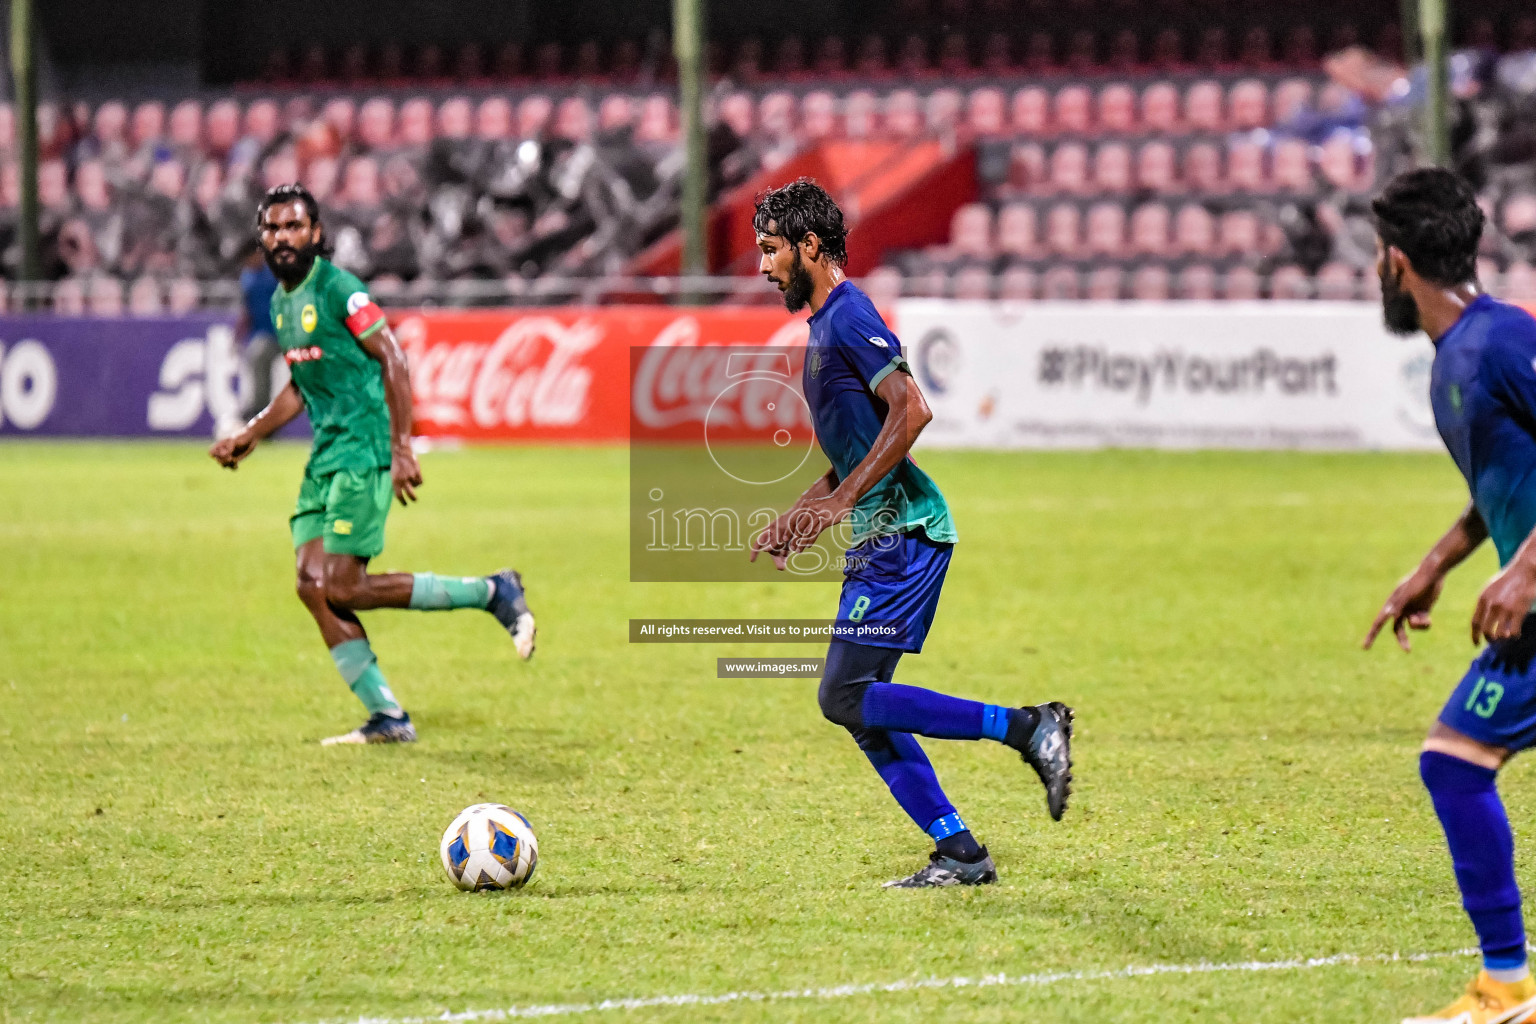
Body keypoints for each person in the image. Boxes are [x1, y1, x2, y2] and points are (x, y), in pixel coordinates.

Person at [748, 179, 1074, 889]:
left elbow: (912, 410)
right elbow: (855, 448)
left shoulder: (850, 313)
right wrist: (809, 511)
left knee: (842, 696)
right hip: (878, 534)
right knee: (861, 706)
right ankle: (959, 851)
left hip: (905, 534)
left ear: (810, 246)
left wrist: (847, 500)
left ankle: (1028, 727)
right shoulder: (825, 325)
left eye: (772, 250)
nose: (764, 266)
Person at [210, 184, 536, 746]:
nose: (282, 238)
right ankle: (387, 717)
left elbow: (392, 354)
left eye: (293, 227)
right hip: (325, 456)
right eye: (272, 229)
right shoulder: (280, 301)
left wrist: (403, 446)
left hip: (364, 449)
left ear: (315, 234)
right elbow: (299, 385)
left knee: (344, 585)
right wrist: (252, 433)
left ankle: (492, 592)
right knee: (312, 586)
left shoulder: (340, 290)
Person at [1363, 167, 1536, 1023]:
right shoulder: (1458, 356)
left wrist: (1529, 566)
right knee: (1457, 760)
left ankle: (1507, 986)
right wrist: (1438, 561)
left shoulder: (1500, 340)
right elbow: (1504, 479)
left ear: (1397, 261)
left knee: (1455, 760)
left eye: (1374, 258)